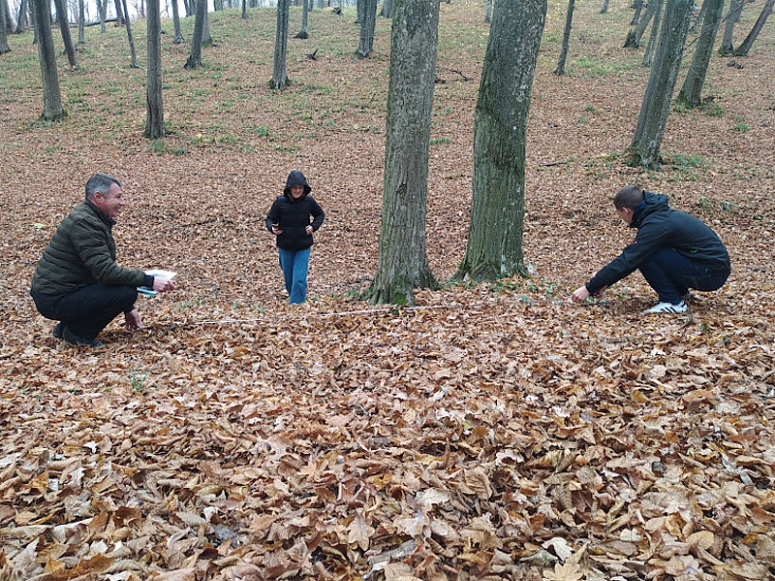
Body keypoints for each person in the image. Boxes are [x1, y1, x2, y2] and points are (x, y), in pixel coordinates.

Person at [30, 173, 175, 348]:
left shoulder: (92, 218)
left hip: (61, 292)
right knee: (126, 291)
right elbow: (105, 272)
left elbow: (100, 271)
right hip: (54, 298)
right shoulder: (84, 222)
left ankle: (66, 328)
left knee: (124, 290)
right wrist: (149, 281)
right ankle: (77, 334)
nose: (122, 203)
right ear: (98, 197)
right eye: (118, 197)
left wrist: (128, 308)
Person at [571, 184, 730, 314]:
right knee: (650, 252)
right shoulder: (658, 215)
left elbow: (629, 259)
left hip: (711, 273)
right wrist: (606, 282)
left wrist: (588, 287)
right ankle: (679, 294)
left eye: (620, 215)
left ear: (626, 210)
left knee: (647, 256)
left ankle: (673, 302)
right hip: (711, 268)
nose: (622, 219)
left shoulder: (657, 224)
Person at [265, 170, 325, 304]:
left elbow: (320, 215)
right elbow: (270, 219)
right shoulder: (280, 202)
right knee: (290, 280)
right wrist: (272, 228)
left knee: (299, 279)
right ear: (289, 188)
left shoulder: (309, 201)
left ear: (304, 188)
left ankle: (296, 308)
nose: (297, 190)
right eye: (295, 188)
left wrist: (313, 227)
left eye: (300, 188)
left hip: (303, 246)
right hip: (285, 246)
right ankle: (297, 300)